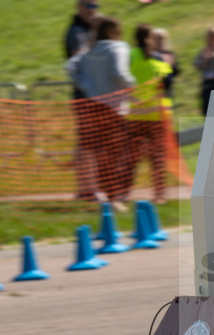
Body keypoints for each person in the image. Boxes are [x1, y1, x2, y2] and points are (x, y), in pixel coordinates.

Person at [65, 16, 136, 211]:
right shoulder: (118, 47)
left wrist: (86, 85)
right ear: (115, 30)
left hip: (94, 106)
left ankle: (109, 196)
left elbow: (70, 66)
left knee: (100, 155)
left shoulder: (90, 50)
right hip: (114, 109)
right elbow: (120, 73)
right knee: (116, 155)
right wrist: (135, 88)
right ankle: (114, 198)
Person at [127, 24, 175, 205]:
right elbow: (168, 82)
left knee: (135, 158)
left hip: (138, 115)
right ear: (148, 39)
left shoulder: (132, 56)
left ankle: (125, 193)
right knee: (155, 158)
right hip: (151, 116)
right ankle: (159, 194)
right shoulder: (155, 58)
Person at [64, 0, 101, 201]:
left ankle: (86, 187)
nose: (92, 11)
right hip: (83, 94)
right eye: (88, 6)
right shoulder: (76, 31)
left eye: (95, 6)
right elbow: (80, 59)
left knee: (89, 143)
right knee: (88, 143)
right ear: (78, 6)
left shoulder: (88, 29)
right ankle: (87, 188)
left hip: (93, 94)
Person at [149, 27, 180, 106]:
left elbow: (176, 72)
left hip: (167, 92)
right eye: (157, 38)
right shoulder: (149, 55)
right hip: (152, 93)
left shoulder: (169, 54)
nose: (160, 41)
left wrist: (172, 65)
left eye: (162, 38)